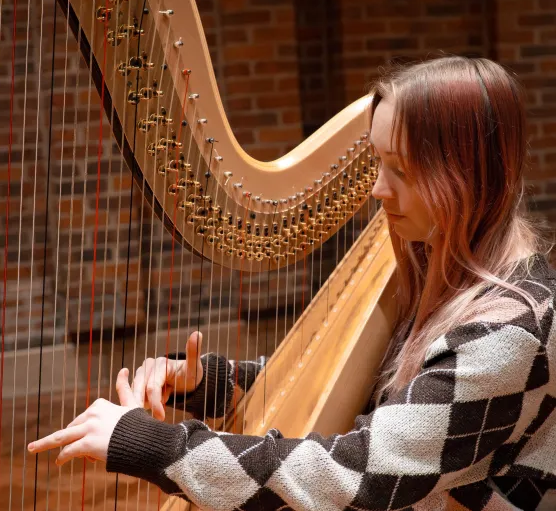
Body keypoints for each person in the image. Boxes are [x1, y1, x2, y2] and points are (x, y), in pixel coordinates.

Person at [28, 56, 556, 510]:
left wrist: (150, 445)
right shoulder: (443, 274)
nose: (377, 189)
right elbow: (400, 397)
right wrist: (209, 382)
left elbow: (359, 477)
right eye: (377, 162)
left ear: (463, 175)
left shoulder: (511, 333)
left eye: (401, 169)